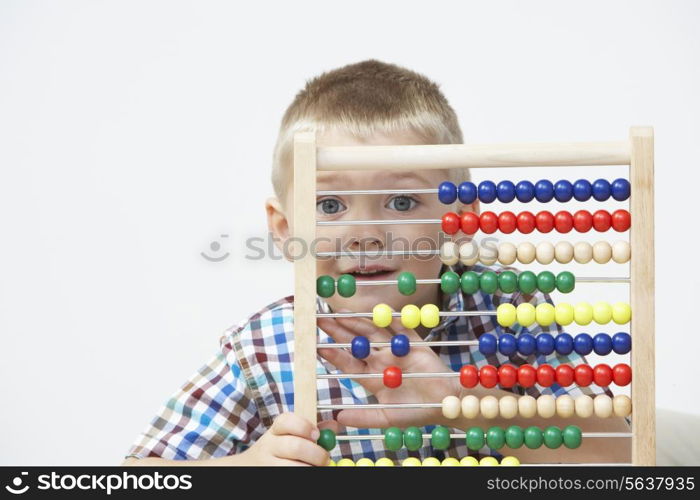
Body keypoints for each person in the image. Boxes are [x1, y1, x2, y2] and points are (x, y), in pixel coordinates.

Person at [123, 59, 630, 466]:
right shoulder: (261, 348)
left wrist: (460, 402)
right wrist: (247, 468)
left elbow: (621, 460)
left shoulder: (507, 309)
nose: (364, 235)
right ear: (284, 230)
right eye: (329, 206)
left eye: (402, 202)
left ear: (460, 218)